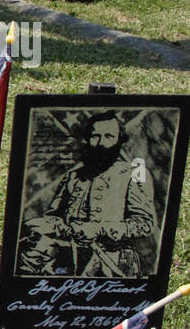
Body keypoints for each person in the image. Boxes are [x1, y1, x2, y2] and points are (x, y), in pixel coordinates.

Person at [19, 111, 156, 278]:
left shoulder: (134, 173)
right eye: (95, 136)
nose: (100, 143)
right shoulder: (74, 176)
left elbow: (144, 223)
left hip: (110, 262)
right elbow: (55, 216)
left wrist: (99, 229)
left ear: (120, 140)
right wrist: (43, 224)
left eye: (108, 136)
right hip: (66, 256)